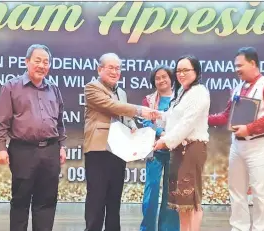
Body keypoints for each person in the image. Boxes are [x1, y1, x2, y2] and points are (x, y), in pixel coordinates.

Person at [0, 44, 67, 231]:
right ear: (27, 62)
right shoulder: (11, 87)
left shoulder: (54, 89)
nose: (42, 65)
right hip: (23, 150)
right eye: (38, 61)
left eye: (46, 62)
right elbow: (1, 121)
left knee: (47, 201)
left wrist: (62, 145)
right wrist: (1, 148)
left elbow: (59, 122)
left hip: (50, 150)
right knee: (21, 200)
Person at [83, 53, 159, 231]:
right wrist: (140, 111)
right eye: (111, 67)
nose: (115, 71)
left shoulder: (121, 92)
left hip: (118, 150)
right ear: (100, 69)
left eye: (118, 68)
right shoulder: (92, 87)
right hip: (99, 149)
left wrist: (132, 125)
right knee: (96, 197)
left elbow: (124, 115)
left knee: (114, 198)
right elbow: (112, 106)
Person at [208, 47, 264, 231]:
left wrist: (250, 128)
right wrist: (202, 118)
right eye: (234, 66)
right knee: (236, 189)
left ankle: (259, 228)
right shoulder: (238, 87)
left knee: (260, 192)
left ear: (253, 63)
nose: (236, 69)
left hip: (261, 144)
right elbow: (226, 115)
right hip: (237, 146)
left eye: (240, 65)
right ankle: (239, 227)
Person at [153, 55, 210, 231]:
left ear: (197, 71)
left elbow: (187, 123)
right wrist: (152, 114)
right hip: (178, 150)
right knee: (180, 201)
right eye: (178, 70)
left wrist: (165, 141)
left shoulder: (199, 92)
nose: (181, 74)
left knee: (191, 200)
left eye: (186, 70)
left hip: (192, 149)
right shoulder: (182, 93)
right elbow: (170, 117)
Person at [140, 65, 180, 231]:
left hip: (175, 149)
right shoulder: (148, 100)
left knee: (172, 192)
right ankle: (147, 227)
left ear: (171, 79)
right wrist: (160, 132)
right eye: (157, 78)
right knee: (152, 189)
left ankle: (168, 228)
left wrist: (170, 136)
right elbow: (146, 121)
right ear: (153, 82)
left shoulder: (180, 99)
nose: (161, 80)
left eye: (165, 76)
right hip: (154, 149)